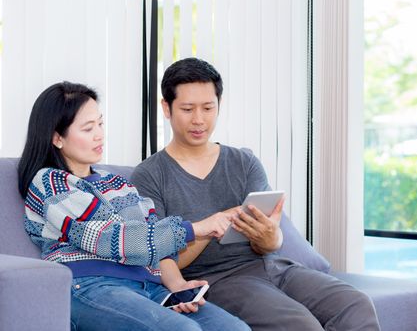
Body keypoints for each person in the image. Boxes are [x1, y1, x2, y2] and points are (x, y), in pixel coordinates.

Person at [131, 58, 382, 330]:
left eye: (208, 108)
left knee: (355, 303)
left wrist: (270, 237)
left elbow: (268, 245)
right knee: (299, 324)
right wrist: (211, 226)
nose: (199, 119)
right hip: (219, 279)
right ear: (166, 108)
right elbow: (161, 257)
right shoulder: (150, 175)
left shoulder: (244, 162)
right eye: (187, 109)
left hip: (274, 267)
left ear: (219, 106)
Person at [18, 81, 250, 331]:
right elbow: (120, 240)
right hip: (89, 286)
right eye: (87, 128)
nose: (99, 134)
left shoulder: (118, 184)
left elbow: (152, 237)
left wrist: (178, 286)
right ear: (57, 138)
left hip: (146, 287)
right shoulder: (50, 183)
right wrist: (196, 229)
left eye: (100, 123)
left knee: (235, 329)